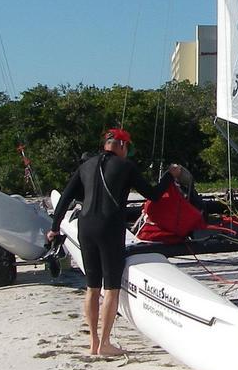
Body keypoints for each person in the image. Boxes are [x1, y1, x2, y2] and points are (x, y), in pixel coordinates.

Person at [47, 129, 184, 357]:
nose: (127, 151)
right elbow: (153, 194)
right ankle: (106, 343)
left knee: (92, 287)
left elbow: (65, 198)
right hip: (109, 228)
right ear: (121, 145)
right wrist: (170, 175)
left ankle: (93, 342)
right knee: (110, 288)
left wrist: (54, 228)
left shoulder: (86, 165)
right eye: (127, 147)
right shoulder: (126, 166)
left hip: (86, 227)